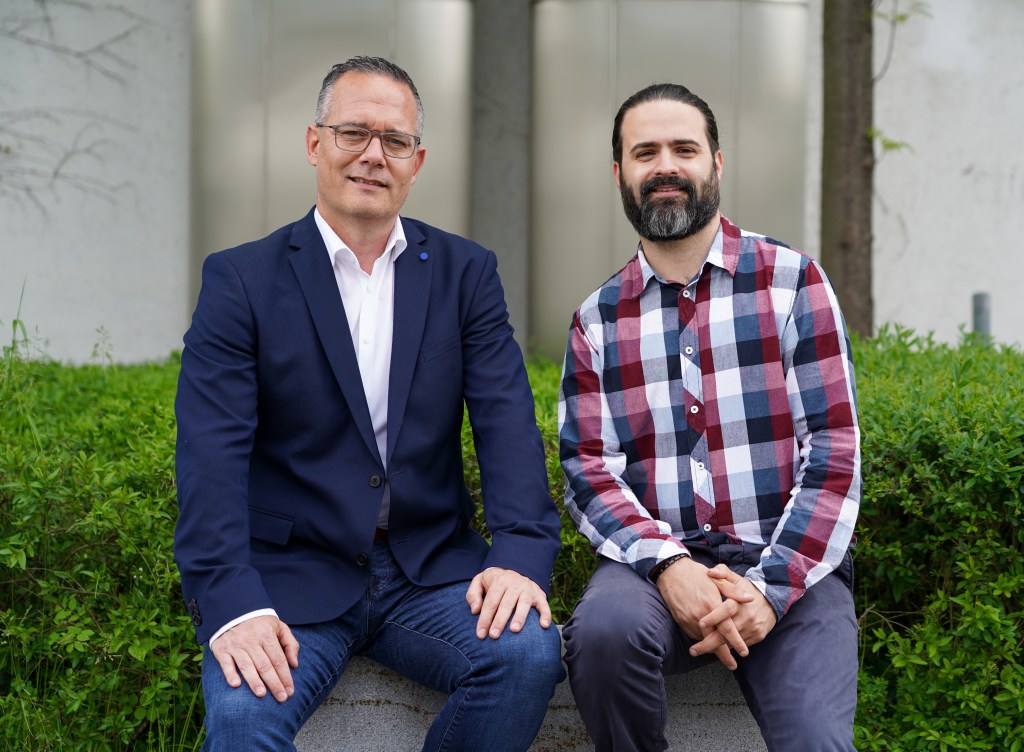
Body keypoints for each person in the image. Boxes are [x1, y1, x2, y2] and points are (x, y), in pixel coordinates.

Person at [174, 56, 563, 752]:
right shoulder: (240, 280)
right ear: (314, 142)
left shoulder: (467, 274)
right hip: (291, 578)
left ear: (417, 161)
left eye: (395, 140)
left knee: (527, 655)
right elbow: (210, 457)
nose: (373, 155)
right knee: (240, 723)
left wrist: (520, 553)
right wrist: (231, 603)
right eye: (353, 132)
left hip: (430, 574)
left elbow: (506, 422)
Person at [558, 82, 860, 752]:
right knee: (604, 634)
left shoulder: (792, 283)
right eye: (645, 152)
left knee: (816, 740)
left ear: (715, 163)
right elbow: (587, 468)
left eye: (684, 149)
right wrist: (669, 566)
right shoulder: (598, 319)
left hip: (789, 561)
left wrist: (769, 591)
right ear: (620, 174)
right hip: (654, 571)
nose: (666, 165)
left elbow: (834, 448)